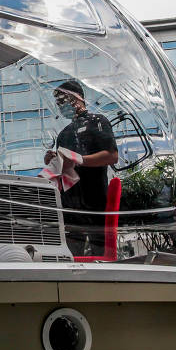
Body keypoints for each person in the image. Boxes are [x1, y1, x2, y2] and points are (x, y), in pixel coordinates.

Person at [44, 80, 118, 256]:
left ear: (76, 98)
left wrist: (79, 159)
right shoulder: (64, 134)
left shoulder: (97, 121)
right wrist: (53, 161)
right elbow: (64, 170)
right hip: (70, 207)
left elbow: (111, 155)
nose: (60, 106)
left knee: (100, 255)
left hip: (95, 203)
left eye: (62, 100)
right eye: (58, 103)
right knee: (70, 257)